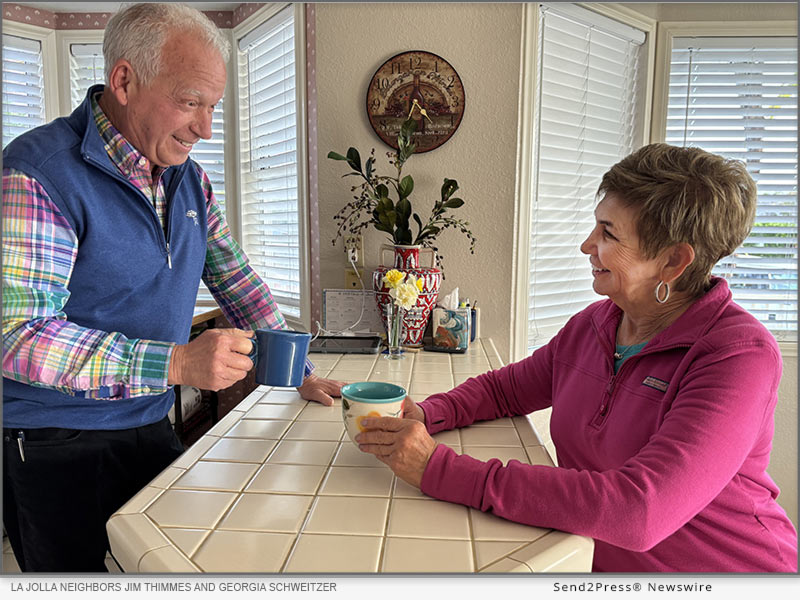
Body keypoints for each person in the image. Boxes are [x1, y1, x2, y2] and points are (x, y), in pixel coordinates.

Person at [2, 3, 343, 572]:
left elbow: (236, 281)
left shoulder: (190, 178)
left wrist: (298, 370)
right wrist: (178, 363)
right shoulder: (38, 172)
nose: (205, 128)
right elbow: (17, 335)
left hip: (149, 421)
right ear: (125, 80)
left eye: (213, 106)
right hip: (54, 441)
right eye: (190, 102)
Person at [356, 143, 798, 572]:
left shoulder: (737, 357)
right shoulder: (597, 323)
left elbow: (638, 510)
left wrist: (439, 469)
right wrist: (428, 413)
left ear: (672, 262)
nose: (587, 245)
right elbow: (506, 389)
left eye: (609, 233)